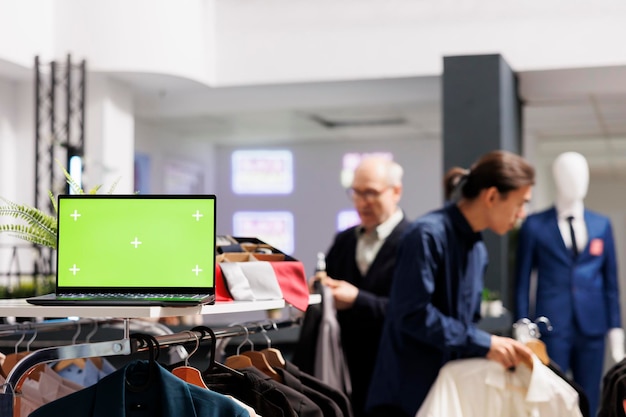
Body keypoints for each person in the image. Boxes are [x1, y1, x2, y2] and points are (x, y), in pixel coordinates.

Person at [366, 150, 535, 417]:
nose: (522, 214)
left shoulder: (478, 250)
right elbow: (413, 314)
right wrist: (485, 343)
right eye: (520, 203)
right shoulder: (426, 235)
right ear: (491, 196)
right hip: (405, 397)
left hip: (448, 392)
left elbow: (464, 324)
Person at [514, 151, 623, 414]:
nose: (577, 181)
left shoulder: (601, 225)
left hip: (592, 325)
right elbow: (521, 280)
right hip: (551, 325)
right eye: (569, 174)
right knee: (552, 393)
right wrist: (521, 325)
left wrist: (616, 331)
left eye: (581, 174)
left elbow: (611, 283)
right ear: (556, 178)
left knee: (592, 395)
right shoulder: (535, 225)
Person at [314, 156, 411, 417]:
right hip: (346, 372)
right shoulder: (345, 240)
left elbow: (414, 312)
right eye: (355, 192)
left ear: (396, 191)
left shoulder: (414, 242)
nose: (361, 202)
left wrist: (358, 299)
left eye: (371, 193)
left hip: (395, 374)